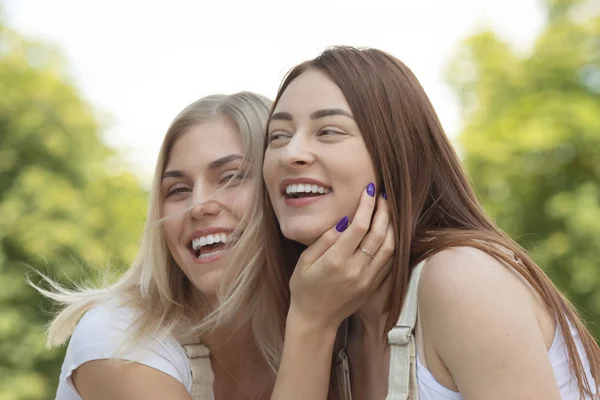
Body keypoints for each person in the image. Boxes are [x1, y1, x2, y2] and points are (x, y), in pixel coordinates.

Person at [262, 46, 600, 399]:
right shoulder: (333, 312)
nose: (291, 154)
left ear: (397, 152)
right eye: (278, 136)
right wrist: (309, 323)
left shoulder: (460, 277)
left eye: (329, 131)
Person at [35, 92, 279, 399]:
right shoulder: (118, 338)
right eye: (178, 190)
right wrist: (313, 327)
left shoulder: (344, 328)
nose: (198, 205)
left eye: (230, 177)